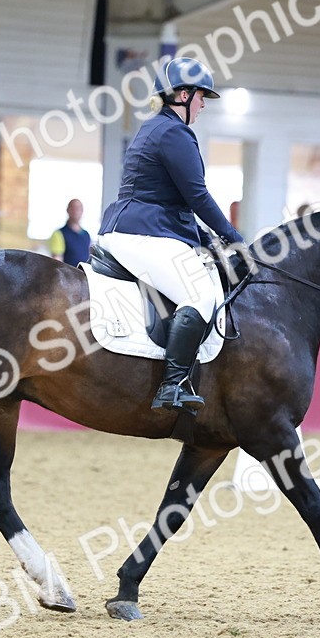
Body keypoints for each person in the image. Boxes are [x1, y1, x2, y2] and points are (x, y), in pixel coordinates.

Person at [97, 57, 245, 414]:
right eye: (201, 96)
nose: (204, 104)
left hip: (141, 227)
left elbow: (177, 202)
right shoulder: (174, 133)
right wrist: (233, 236)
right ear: (182, 94)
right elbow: (197, 197)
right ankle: (172, 384)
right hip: (141, 232)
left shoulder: (156, 128)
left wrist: (210, 241)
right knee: (199, 295)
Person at [49, 199, 92, 266]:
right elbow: (57, 263)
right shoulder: (59, 234)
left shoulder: (86, 235)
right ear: (68, 210)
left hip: (85, 275)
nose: (76, 211)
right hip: (68, 275)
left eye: (79, 208)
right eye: (73, 208)